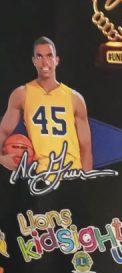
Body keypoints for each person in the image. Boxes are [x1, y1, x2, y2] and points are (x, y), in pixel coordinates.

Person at [0, 37, 93, 173]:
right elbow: (3, 131)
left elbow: (86, 148)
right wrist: (1, 159)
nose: (45, 62)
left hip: (72, 173)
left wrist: (86, 181)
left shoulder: (75, 98)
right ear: (34, 61)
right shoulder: (22, 94)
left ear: (57, 60)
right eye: (39, 56)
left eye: (49, 56)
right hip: (41, 175)